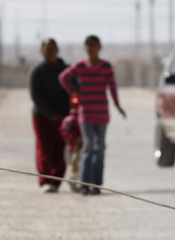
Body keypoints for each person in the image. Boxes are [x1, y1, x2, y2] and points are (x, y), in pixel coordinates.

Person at [58, 35, 126, 195]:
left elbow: (113, 87)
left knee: (100, 148)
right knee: (88, 147)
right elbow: (63, 77)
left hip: (101, 113)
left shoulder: (106, 67)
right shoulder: (81, 66)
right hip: (86, 114)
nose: (91, 48)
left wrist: (117, 105)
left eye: (94, 45)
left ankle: (97, 184)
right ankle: (84, 183)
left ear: (99, 47)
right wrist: (74, 92)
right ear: (85, 48)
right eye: (89, 46)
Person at [29, 38, 71, 193]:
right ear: (42, 51)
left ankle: (57, 180)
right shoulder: (37, 71)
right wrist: (51, 113)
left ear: (57, 50)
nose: (50, 51)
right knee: (44, 148)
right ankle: (45, 180)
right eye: (47, 49)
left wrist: (64, 111)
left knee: (60, 149)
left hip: (64, 117)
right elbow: (35, 95)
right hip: (42, 116)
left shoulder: (66, 70)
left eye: (53, 48)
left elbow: (72, 92)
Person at [59, 92, 82, 192]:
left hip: (80, 147)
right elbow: (64, 132)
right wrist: (74, 140)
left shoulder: (78, 119)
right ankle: (72, 181)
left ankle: (76, 182)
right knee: (75, 167)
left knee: (78, 167)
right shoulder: (71, 120)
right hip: (74, 149)